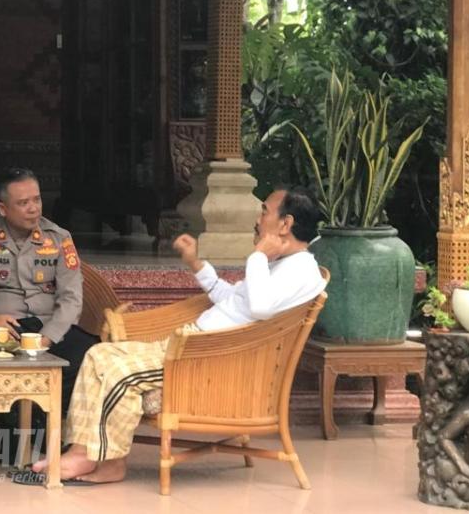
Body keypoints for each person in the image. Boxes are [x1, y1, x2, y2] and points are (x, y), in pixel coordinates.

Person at [28, 186, 326, 484]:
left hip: (208, 356)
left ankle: (108, 463)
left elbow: (260, 308)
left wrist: (258, 256)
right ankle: (81, 451)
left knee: (118, 372)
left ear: (285, 224)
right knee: (98, 354)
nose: (258, 219)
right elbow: (234, 299)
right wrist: (196, 263)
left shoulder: (300, 271)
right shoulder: (280, 265)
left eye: (264, 211)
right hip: (194, 345)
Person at [0, 167, 96, 412]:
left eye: (37, 200)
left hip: (49, 327)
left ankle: (44, 418)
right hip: (4, 328)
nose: (33, 209)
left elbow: (71, 297)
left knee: (91, 356)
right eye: (23, 203)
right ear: (3, 209)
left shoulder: (59, 238)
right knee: (4, 371)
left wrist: (47, 339)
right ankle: (24, 426)